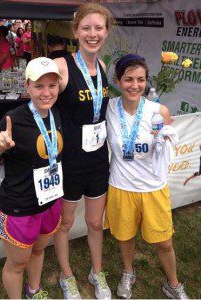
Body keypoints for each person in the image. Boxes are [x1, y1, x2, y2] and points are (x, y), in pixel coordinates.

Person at [0, 57, 63, 299]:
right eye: (39, 86)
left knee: (39, 251)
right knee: (17, 264)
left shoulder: (57, 113)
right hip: (19, 207)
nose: (46, 92)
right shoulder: (13, 118)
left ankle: (34, 290)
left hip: (50, 201)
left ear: (58, 86)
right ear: (27, 86)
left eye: (52, 85)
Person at [105, 54, 189, 299]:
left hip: (153, 188)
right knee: (125, 236)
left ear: (146, 82)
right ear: (118, 81)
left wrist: (165, 137)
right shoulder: (109, 108)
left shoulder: (158, 111)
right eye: (128, 79)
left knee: (164, 243)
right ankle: (128, 272)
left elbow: (169, 143)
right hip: (121, 186)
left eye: (140, 80)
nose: (134, 85)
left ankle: (172, 284)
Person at [53, 3, 113, 299]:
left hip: (98, 158)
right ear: (75, 31)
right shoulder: (62, 66)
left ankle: (96, 271)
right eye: (86, 28)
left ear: (106, 32)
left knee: (94, 222)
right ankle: (66, 275)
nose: (93, 34)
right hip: (70, 162)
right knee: (64, 223)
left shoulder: (102, 67)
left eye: (98, 28)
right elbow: (41, 98)